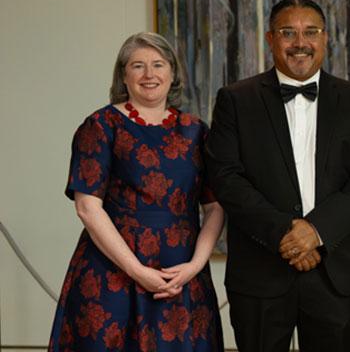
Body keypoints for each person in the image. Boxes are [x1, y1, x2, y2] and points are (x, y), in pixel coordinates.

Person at [205, 0, 350, 351]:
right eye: (288, 32)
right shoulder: (236, 100)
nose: (300, 42)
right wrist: (287, 233)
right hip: (260, 273)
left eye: (310, 32)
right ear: (270, 39)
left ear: (325, 37)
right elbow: (225, 177)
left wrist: (316, 231)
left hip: (336, 274)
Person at [50, 32, 224, 351]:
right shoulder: (101, 126)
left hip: (182, 276)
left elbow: (215, 207)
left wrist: (196, 266)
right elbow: (87, 207)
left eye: (158, 64)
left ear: (172, 74)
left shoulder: (197, 131)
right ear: (123, 75)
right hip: (112, 276)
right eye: (138, 65)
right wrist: (136, 271)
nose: (149, 74)